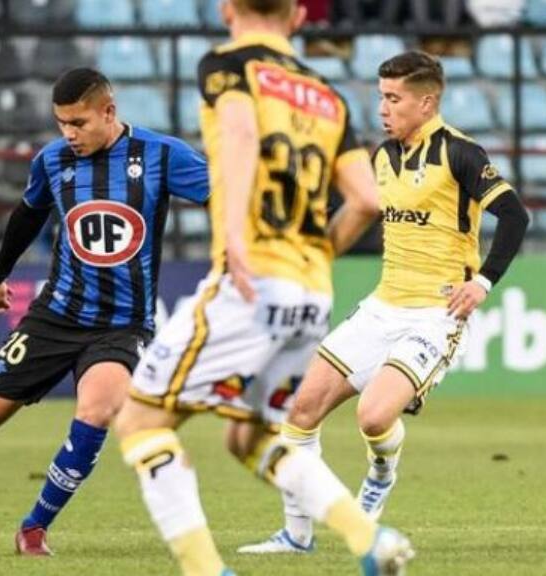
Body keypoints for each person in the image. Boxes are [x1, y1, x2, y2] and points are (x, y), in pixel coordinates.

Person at [113, 1, 414, 575]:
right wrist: (317, 251)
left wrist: (234, 236)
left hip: (251, 279)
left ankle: (206, 571)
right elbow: (368, 200)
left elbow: (240, 130)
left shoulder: (231, 66)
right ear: (299, 16)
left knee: (140, 422)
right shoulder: (328, 95)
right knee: (247, 437)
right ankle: (370, 539)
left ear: (227, 9)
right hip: (310, 290)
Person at [244, 50, 530, 551]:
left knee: (373, 418)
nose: (383, 109)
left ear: (427, 102)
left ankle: (380, 474)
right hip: (381, 306)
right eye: (381, 97)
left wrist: (482, 282)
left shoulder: (461, 153)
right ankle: (297, 535)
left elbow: (515, 216)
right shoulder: (380, 156)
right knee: (300, 409)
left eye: (394, 99)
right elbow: (346, 213)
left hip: (435, 316)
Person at [0, 68, 210, 556]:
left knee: (98, 408)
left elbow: (224, 198)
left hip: (123, 325)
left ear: (108, 113)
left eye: (78, 123)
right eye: (61, 123)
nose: (69, 134)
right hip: (56, 316)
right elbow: (27, 215)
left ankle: (34, 527)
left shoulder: (161, 155)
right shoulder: (52, 161)